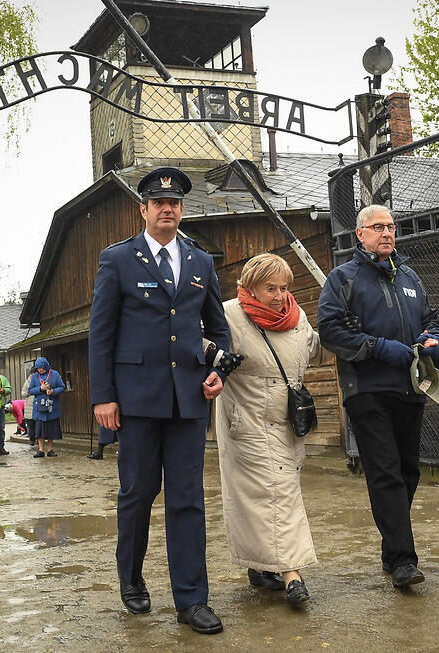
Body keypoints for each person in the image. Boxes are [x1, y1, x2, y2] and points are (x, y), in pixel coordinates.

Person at [88, 166, 233, 634]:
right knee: (138, 494)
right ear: (144, 210)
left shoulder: (200, 261)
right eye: (158, 203)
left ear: (182, 211)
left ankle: (192, 600)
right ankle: (131, 578)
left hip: (189, 400)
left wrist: (217, 371)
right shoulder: (118, 260)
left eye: (174, 204)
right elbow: (100, 334)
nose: (167, 209)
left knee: (187, 499)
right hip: (135, 400)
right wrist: (103, 397)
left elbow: (218, 328)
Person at [317, 204, 439, 588]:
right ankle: (405, 561)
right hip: (367, 389)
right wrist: (377, 347)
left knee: (409, 471)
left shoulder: (410, 276)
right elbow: (330, 331)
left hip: (411, 387)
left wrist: (435, 339)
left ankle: (392, 550)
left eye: (392, 227)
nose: (388, 233)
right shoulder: (343, 277)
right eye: (378, 227)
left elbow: (433, 319)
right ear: (361, 234)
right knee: (386, 472)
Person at [216, 253, 321, 605]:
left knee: (268, 499)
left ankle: (261, 566)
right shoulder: (228, 315)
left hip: (289, 423)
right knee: (277, 495)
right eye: (270, 288)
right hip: (248, 422)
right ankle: (293, 575)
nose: (279, 296)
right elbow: (200, 345)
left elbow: (313, 348)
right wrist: (216, 360)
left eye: (284, 287)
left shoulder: (296, 315)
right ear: (249, 287)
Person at [28, 357, 65, 457]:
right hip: (39, 407)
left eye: (42, 368)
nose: (40, 370)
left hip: (52, 406)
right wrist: (40, 388)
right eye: (38, 368)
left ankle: (50, 450)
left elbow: (62, 387)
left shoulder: (55, 374)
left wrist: (53, 391)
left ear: (46, 366)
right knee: (39, 430)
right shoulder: (35, 376)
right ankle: (40, 450)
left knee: (51, 429)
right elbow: (30, 390)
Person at [23, 369, 36, 446]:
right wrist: (27, 393)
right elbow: (23, 393)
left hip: (37, 405)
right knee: (30, 425)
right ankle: (32, 439)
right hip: (29, 406)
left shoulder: (40, 381)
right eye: (33, 373)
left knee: (37, 424)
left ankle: (38, 438)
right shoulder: (27, 382)